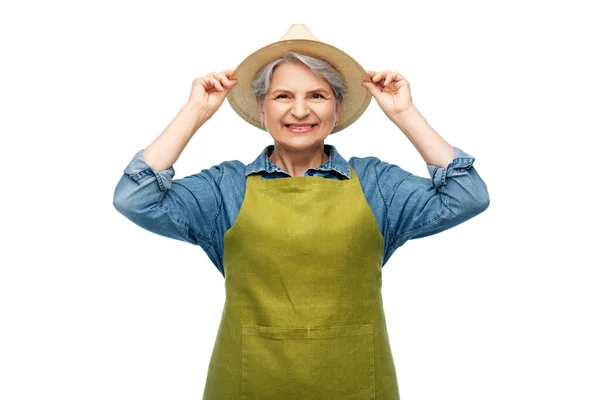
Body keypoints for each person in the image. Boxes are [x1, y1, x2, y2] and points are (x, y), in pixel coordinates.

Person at [113, 24, 489, 400]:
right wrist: (195, 111)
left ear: (337, 107)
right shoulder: (225, 188)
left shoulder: (377, 184)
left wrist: (404, 113)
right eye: (282, 96)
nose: (300, 110)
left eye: (317, 95)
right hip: (248, 385)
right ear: (261, 108)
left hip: (357, 385)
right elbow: (135, 198)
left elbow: (467, 195)